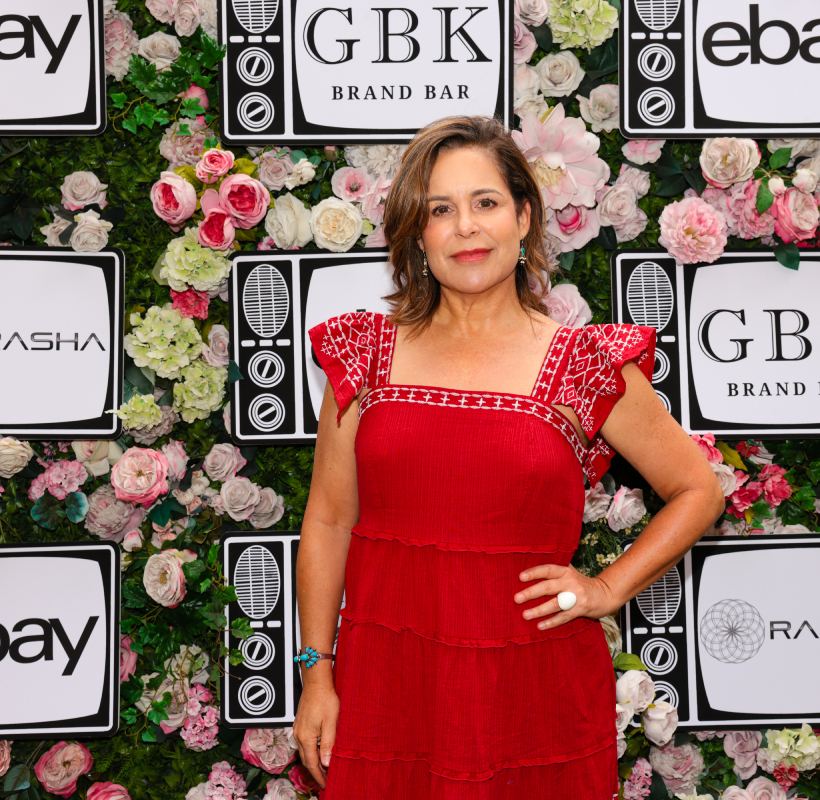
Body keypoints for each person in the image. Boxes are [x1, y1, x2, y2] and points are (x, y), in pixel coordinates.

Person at [293, 116, 724, 798]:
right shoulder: (365, 354)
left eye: (486, 203)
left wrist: (607, 590)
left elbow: (699, 489)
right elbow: (326, 520)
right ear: (416, 234)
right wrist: (316, 673)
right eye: (440, 209)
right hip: (387, 694)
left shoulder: (582, 362)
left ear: (524, 217)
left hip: (533, 697)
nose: (466, 226)